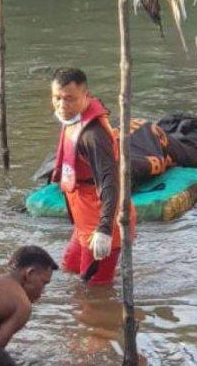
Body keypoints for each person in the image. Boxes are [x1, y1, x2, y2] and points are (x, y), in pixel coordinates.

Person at [50, 67, 136, 286]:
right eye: (57, 98)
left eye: (69, 99)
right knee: (67, 270)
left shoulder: (93, 136)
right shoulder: (73, 119)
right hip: (83, 219)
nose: (62, 105)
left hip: (100, 218)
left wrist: (105, 230)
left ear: (85, 96)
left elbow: (111, 182)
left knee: (93, 290)